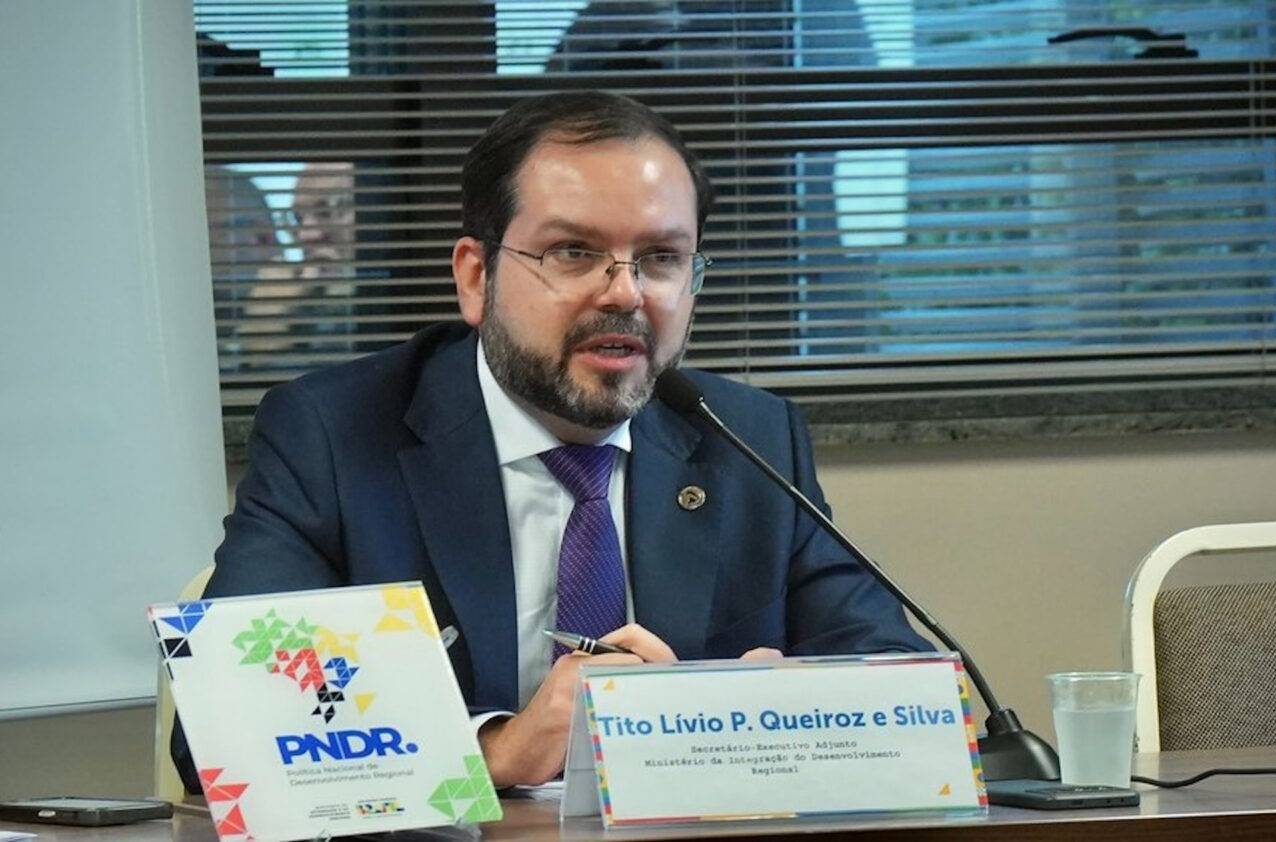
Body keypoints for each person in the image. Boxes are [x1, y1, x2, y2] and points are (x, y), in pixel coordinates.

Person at [176, 91, 929, 791]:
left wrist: (768, 712)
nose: (625, 292)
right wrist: (499, 750)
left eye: (662, 258)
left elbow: (902, 689)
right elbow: (224, 730)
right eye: (573, 252)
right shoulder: (335, 436)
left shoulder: (747, 439)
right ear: (476, 277)